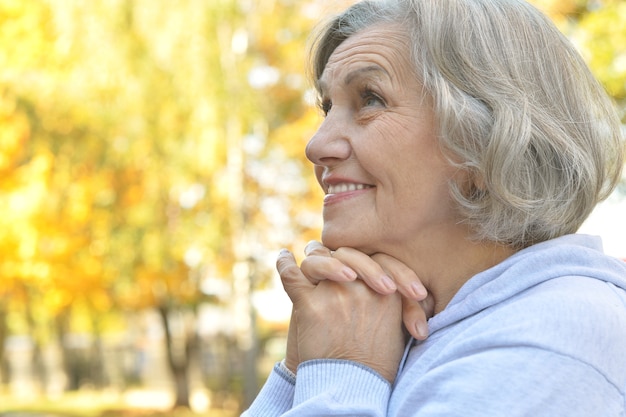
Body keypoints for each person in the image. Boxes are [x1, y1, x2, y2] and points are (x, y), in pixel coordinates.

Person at [243, 0, 626, 415]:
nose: (316, 146)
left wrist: (341, 373)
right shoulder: (396, 325)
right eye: (328, 108)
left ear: (488, 138)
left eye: (370, 100)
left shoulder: (553, 338)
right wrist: (299, 370)